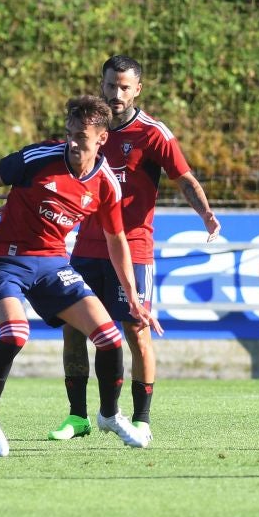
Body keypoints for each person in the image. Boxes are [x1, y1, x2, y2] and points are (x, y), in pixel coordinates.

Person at [0, 95, 164, 456]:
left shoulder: (106, 183)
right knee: (15, 334)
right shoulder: (39, 157)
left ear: (102, 140)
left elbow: (116, 239)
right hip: (7, 262)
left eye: (83, 138)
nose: (74, 143)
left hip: (54, 266)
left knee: (109, 337)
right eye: (70, 134)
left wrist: (134, 299)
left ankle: (109, 415)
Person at [49, 56, 220, 445]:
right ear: (102, 84)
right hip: (86, 248)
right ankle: (77, 417)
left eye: (125, 87)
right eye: (111, 86)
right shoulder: (88, 131)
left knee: (136, 330)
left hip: (135, 249)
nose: (117, 94)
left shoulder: (153, 134)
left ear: (138, 89)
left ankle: (141, 418)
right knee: (74, 331)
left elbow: (185, 178)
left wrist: (206, 213)